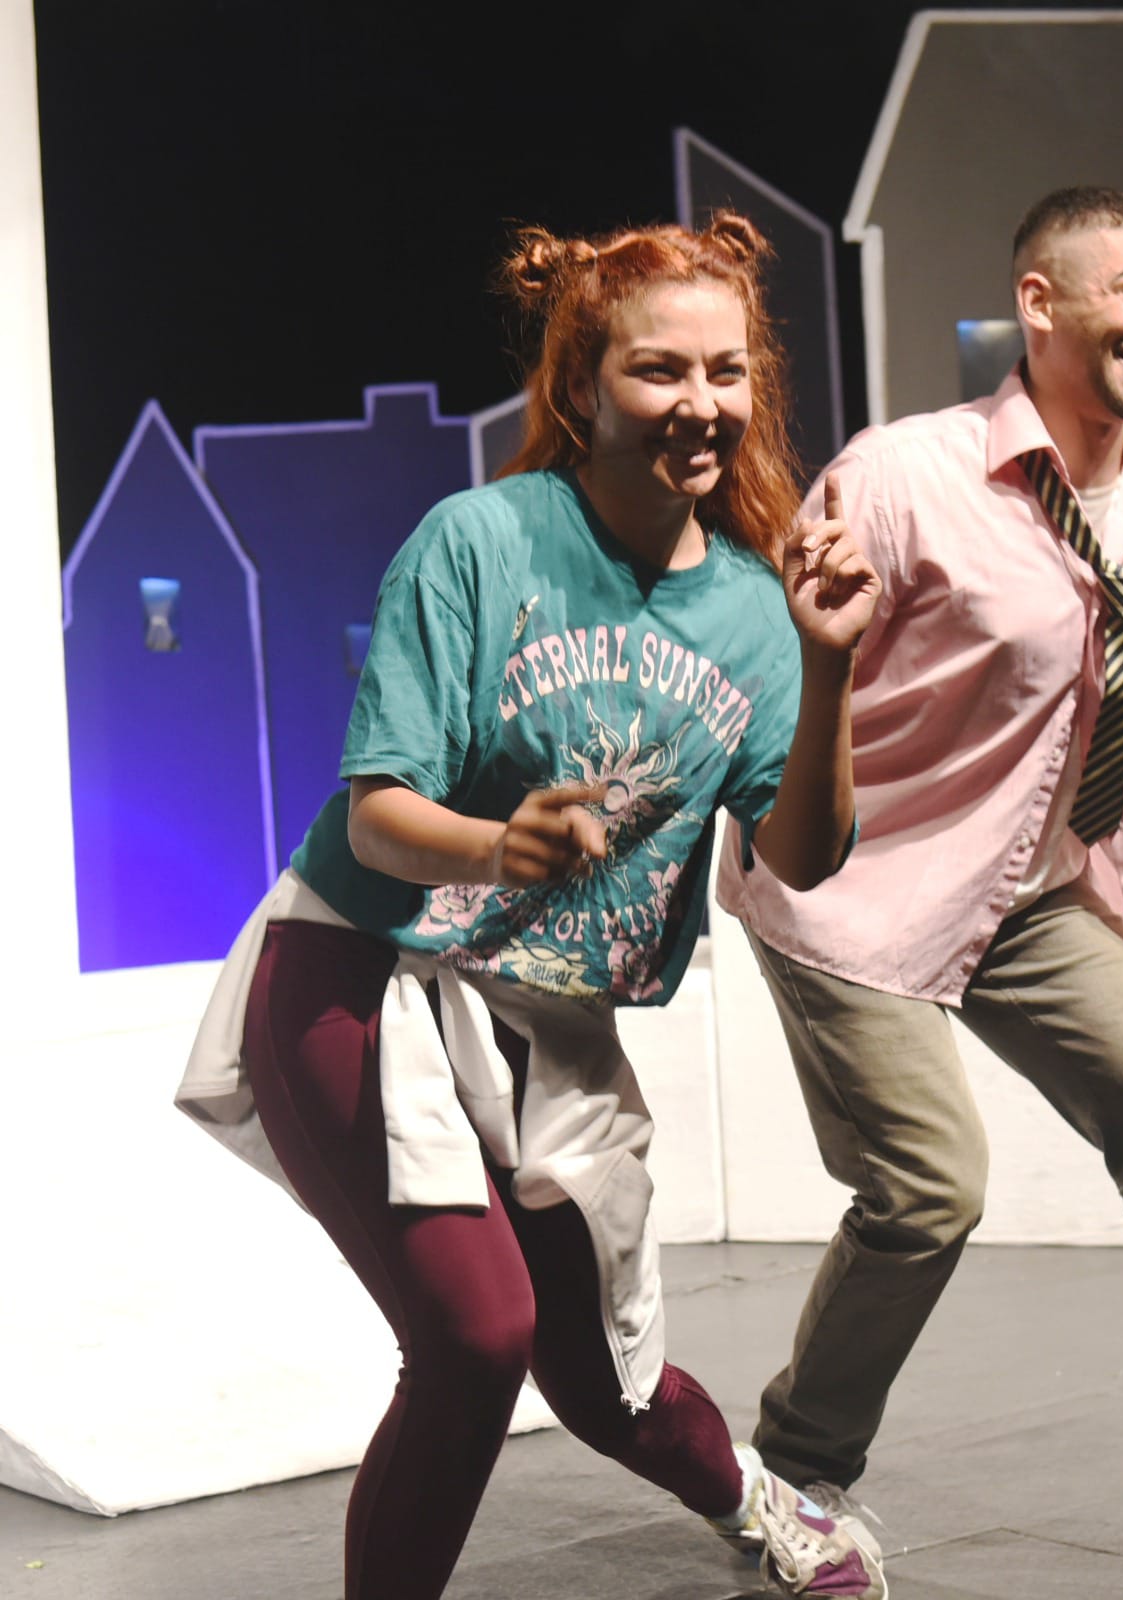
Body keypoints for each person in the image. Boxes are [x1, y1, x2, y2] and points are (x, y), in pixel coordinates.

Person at [175, 211, 886, 1600]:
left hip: (544, 1018)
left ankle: (761, 1507)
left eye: (726, 371)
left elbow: (802, 856)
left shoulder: (756, 607)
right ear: (579, 387)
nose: (700, 403)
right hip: (365, 970)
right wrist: (499, 844)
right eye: (658, 370)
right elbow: (378, 814)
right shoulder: (480, 540)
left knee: (605, 1380)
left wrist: (829, 669)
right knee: (475, 1337)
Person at [717, 185, 1123, 1590]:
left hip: (1029, 884)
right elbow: (772, 680)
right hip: (857, 886)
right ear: (1040, 302)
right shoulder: (905, 476)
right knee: (928, 1188)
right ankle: (796, 1474)